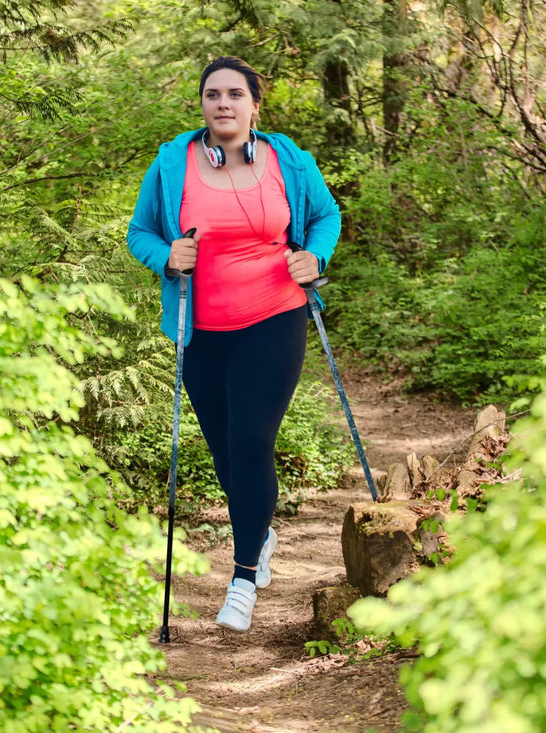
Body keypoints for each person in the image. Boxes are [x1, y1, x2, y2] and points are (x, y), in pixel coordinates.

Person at [127, 56, 341, 632]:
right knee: (225, 449)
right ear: (201, 103)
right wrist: (166, 256)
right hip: (200, 328)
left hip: (275, 315)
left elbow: (325, 216)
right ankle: (260, 529)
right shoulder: (174, 162)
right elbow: (140, 232)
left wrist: (313, 256)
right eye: (212, 94)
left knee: (250, 439)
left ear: (253, 104)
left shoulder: (287, 160)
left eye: (234, 94)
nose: (223, 103)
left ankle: (244, 575)